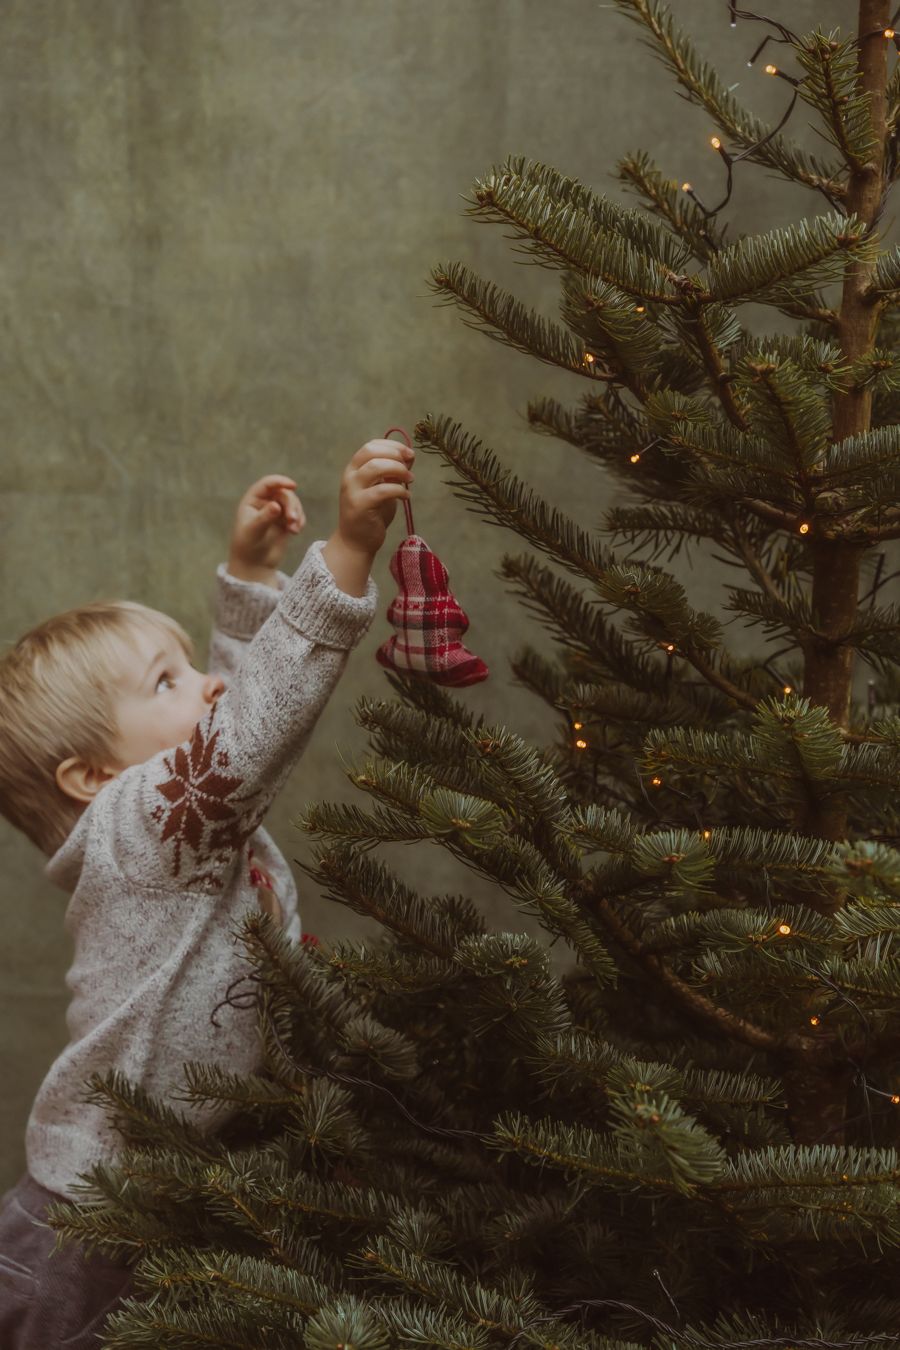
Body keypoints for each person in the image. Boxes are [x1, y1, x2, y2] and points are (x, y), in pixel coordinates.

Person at [0, 437, 415, 1347]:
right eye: (168, 681)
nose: (208, 682)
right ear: (90, 777)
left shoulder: (175, 822)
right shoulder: (140, 825)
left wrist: (248, 574)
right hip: (88, 1225)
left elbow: (227, 723)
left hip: (174, 1193)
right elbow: (249, 733)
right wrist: (343, 554)